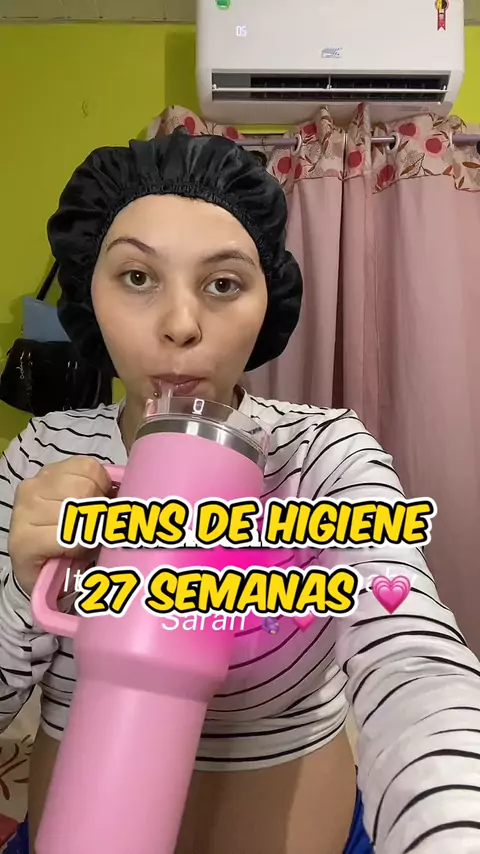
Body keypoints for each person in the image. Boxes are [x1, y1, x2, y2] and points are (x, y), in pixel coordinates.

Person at [1, 129, 480, 854]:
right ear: (87, 290)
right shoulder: (46, 453)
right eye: (137, 277)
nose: (181, 326)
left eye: (222, 283)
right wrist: (23, 588)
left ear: (268, 300)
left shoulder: (323, 456)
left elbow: (410, 657)